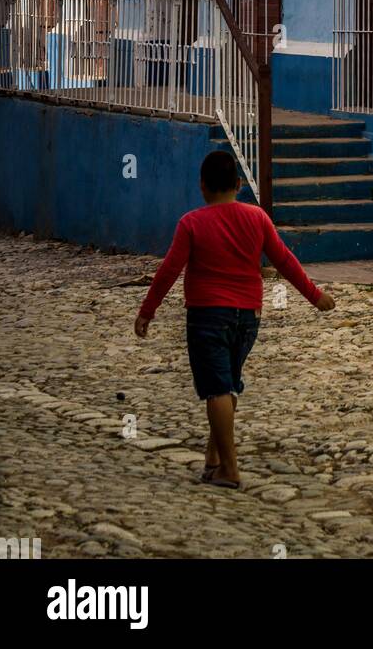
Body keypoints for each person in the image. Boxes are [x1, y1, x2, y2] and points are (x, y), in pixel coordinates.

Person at [134, 149, 334, 489]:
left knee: (216, 389)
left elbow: (169, 270)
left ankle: (229, 468)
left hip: (207, 314)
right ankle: (213, 458)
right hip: (248, 317)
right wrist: (315, 296)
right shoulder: (257, 218)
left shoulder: (192, 223)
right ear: (238, 184)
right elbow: (284, 260)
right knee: (226, 385)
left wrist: (147, 311)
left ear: (202, 186)